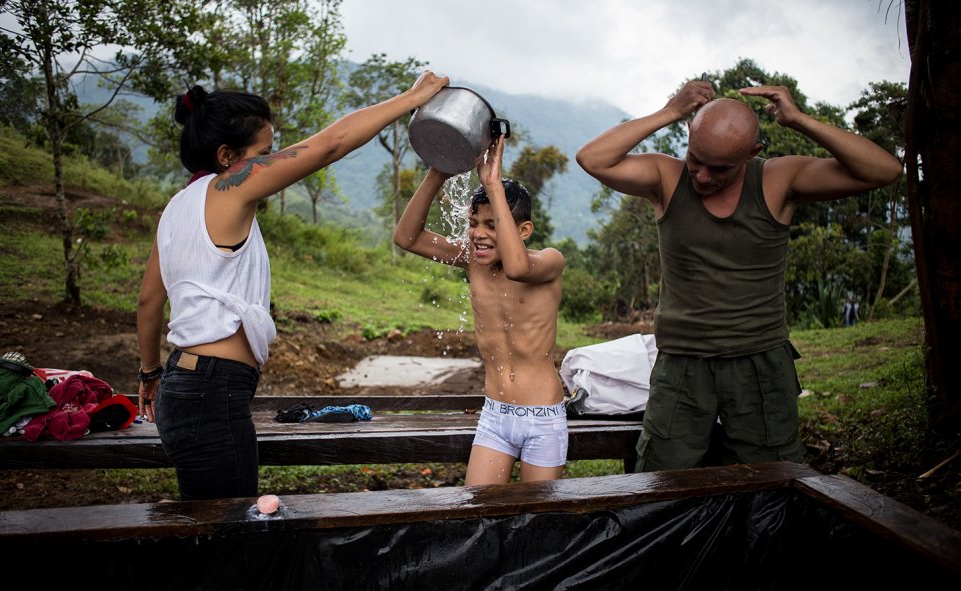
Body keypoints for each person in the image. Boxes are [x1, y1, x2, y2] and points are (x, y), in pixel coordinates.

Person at [137, 71, 449, 500]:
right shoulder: (230, 189)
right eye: (265, 153)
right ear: (228, 156)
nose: (274, 161)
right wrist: (411, 98)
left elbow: (148, 301)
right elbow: (328, 145)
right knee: (232, 533)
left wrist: (150, 373)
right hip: (210, 392)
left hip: (183, 386)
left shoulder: (176, 209)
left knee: (210, 524)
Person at [575, 78, 902, 472]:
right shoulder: (666, 177)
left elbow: (884, 170)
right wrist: (671, 112)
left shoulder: (778, 181)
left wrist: (799, 120)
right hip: (683, 364)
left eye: (720, 168)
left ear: (753, 153)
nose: (703, 177)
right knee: (663, 475)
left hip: (760, 362)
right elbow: (592, 159)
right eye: (696, 160)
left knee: (769, 477)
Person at [394, 136, 568, 485]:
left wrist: (492, 183)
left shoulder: (548, 262)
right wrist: (436, 173)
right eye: (474, 223)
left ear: (524, 230)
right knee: (480, 514)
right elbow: (407, 238)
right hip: (495, 415)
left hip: (542, 417)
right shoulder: (472, 262)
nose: (478, 234)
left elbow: (517, 267)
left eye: (492, 225)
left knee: (539, 519)